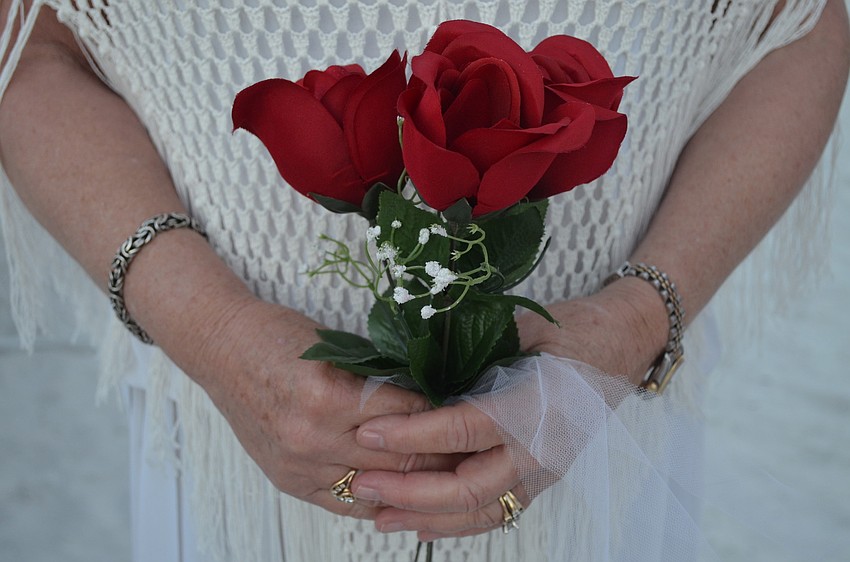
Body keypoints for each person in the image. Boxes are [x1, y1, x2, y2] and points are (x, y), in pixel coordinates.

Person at [0, 0, 846, 561]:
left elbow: (799, 22)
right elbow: (31, 46)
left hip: (600, 447)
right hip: (231, 458)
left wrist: (635, 322)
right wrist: (211, 331)